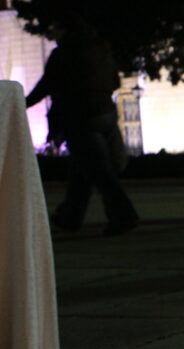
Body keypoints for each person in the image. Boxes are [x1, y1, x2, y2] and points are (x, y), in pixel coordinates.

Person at [25, 11, 138, 236]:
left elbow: (46, 86)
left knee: (101, 173)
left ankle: (124, 216)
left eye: (54, 29)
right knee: (83, 168)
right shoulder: (100, 48)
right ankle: (70, 216)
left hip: (80, 118)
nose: (52, 34)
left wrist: (20, 103)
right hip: (105, 112)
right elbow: (114, 81)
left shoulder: (63, 54)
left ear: (64, 28)